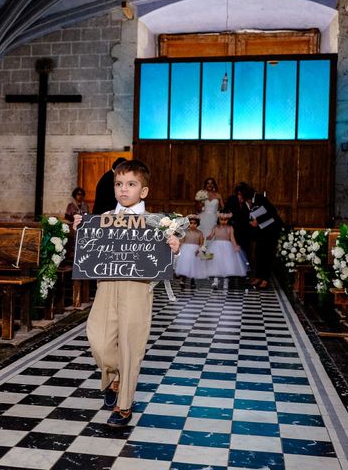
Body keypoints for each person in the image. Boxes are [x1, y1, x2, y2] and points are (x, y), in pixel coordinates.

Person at [73, 159, 181, 427]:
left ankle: (124, 404)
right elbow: (88, 250)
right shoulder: (102, 219)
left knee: (131, 345)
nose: (123, 190)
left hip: (137, 287)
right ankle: (114, 375)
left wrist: (175, 247)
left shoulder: (156, 223)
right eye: (119, 184)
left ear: (143, 191)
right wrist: (81, 228)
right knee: (98, 340)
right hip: (106, 285)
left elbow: (168, 257)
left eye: (131, 184)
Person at [242, 184, 282, 289]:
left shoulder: (260, 198)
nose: (239, 197)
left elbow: (273, 212)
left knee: (267, 255)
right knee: (258, 253)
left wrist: (258, 221)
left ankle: (265, 279)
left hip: (270, 230)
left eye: (240, 194)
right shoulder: (247, 201)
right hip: (260, 232)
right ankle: (258, 277)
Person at [205, 212, 248, 288]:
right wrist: (206, 238)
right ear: (219, 219)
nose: (223, 221)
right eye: (221, 219)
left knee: (227, 264)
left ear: (228, 219)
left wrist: (235, 246)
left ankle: (226, 280)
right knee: (216, 263)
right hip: (216, 247)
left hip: (227, 247)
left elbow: (232, 238)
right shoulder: (215, 227)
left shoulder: (230, 228)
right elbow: (211, 236)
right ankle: (215, 280)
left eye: (226, 219)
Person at [224, 182, 254, 272]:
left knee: (244, 248)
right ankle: (231, 269)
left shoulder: (247, 202)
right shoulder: (232, 199)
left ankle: (243, 268)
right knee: (232, 248)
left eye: (241, 194)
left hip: (245, 229)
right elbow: (227, 212)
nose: (240, 196)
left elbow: (249, 214)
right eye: (239, 193)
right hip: (234, 227)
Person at [174, 215, 205, 288]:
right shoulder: (185, 232)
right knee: (185, 266)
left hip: (195, 251)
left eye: (195, 223)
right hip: (185, 250)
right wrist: (178, 250)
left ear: (197, 224)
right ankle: (182, 280)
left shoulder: (200, 233)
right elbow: (181, 242)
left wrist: (199, 249)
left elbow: (201, 243)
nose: (193, 225)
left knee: (193, 266)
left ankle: (192, 280)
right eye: (191, 223)